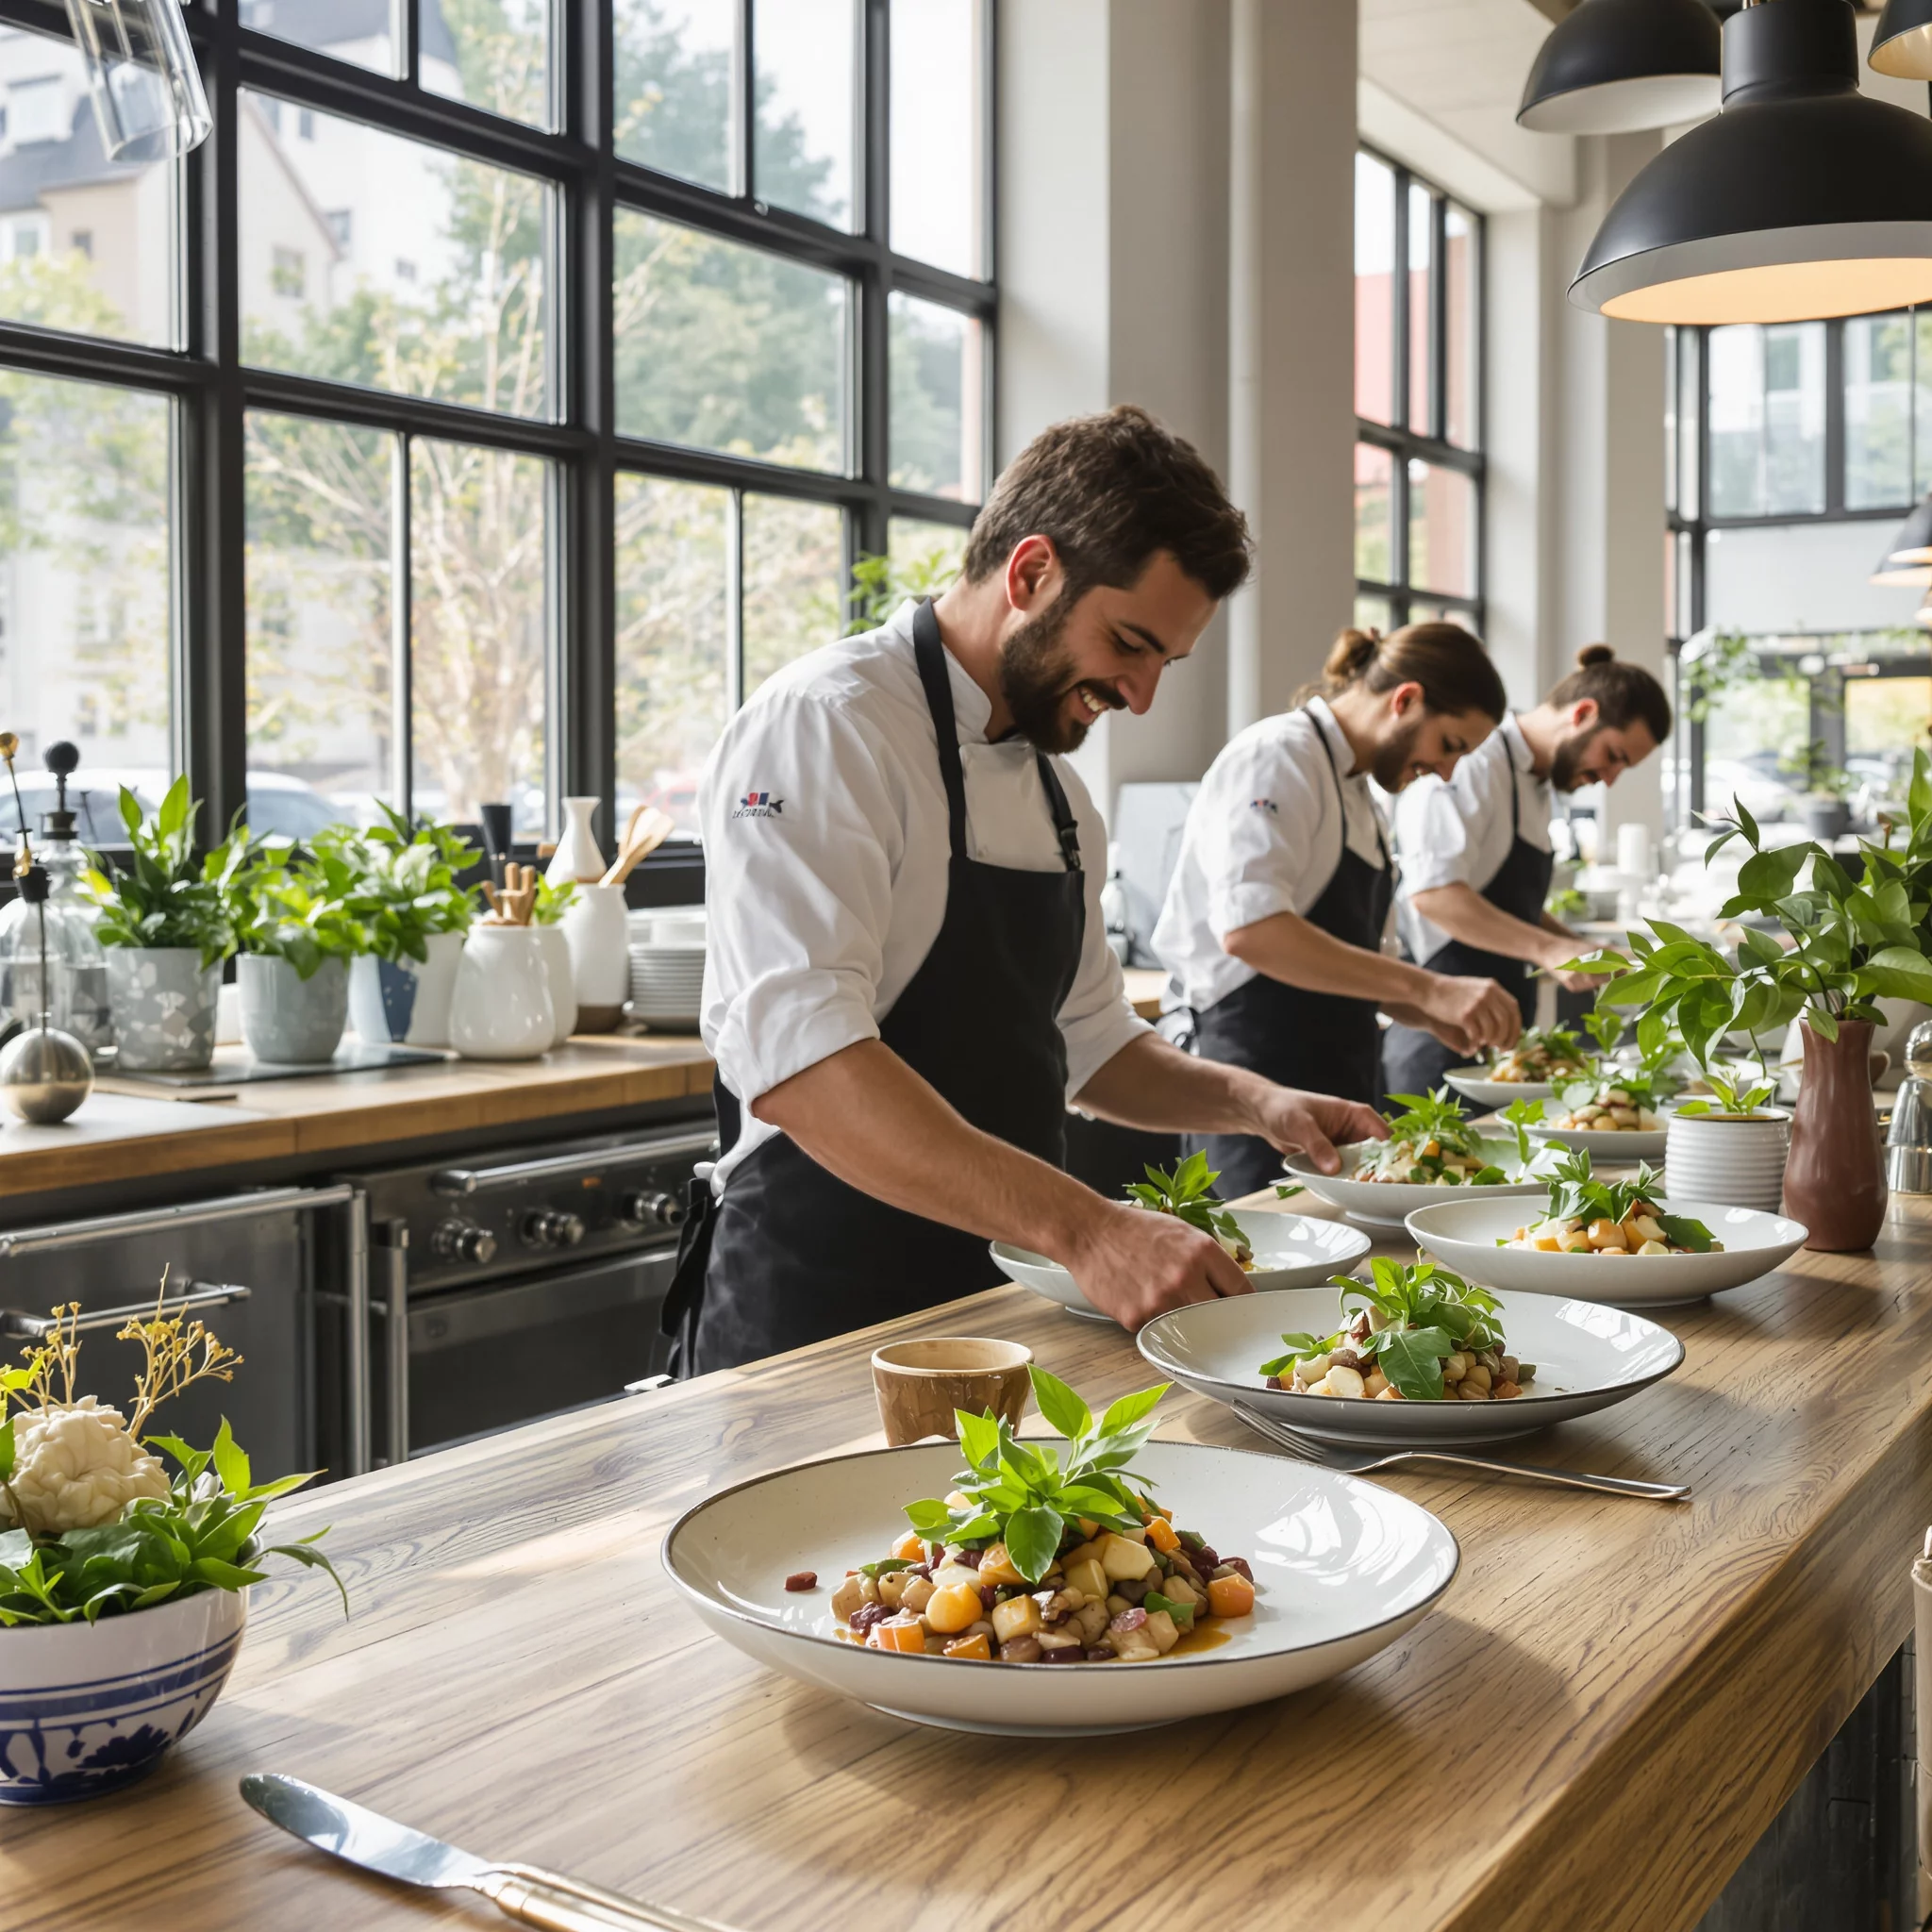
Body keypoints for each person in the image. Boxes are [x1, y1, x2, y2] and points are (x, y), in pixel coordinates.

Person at [666, 406, 1386, 1376]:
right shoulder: (827, 725)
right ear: (1030, 571)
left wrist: (1258, 1103)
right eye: (1128, 644)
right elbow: (805, 1065)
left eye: (1162, 663)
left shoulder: (1058, 798)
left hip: (1000, 1309)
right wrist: (1088, 1229)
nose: (1139, 696)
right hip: (820, 1310)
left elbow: (1090, 1043)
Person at [1153, 622, 1523, 1200]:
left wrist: (1423, 1011)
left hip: (1339, 1088)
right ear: (1406, 700)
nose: (1447, 772)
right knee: (1253, 1282)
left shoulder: (1360, 796)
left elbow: (1348, 962)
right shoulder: (1277, 756)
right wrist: (1431, 989)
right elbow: (1253, 931)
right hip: (1252, 1091)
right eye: (1449, 746)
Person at [1381, 643, 1673, 1100]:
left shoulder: (1536, 783)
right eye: (1613, 755)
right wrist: (1550, 949)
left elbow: (1505, 904)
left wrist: (1577, 947)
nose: (1610, 778)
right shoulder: (1472, 764)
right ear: (1583, 713)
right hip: (1439, 1040)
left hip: (1496, 1038)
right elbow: (1435, 894)